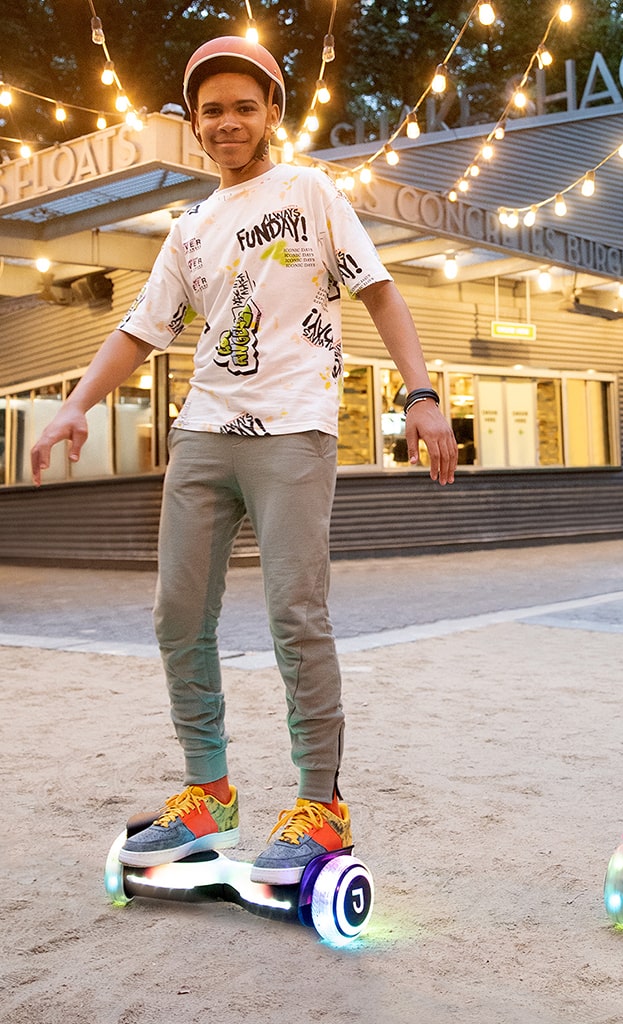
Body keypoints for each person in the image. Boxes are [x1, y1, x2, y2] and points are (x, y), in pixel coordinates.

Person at [30, 36, 457, 884]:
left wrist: (422, 395)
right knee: (176, 613)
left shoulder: (309, 191)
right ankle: (209, 790)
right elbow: (139, 330)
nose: (228, 122)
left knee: (297, 614)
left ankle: (321, 805)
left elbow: (379, 289)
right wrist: (77, 403)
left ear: (271, 114)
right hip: (202, 432)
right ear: (194, 123)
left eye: (244, 107)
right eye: (211, 110)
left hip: (295, 431)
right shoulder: (187, 230)